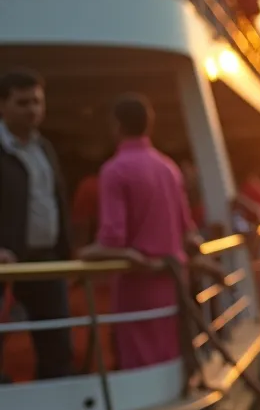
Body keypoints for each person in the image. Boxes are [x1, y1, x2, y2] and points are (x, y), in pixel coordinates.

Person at [78, 94, 199, 370]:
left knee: (137, 358)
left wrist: (82, 254)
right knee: (167, 353)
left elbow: (112, 239)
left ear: (116, 126)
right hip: (171, 282)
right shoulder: (170, 168)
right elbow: (186, 229)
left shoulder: (114, 170)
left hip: (137, 285)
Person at [0, 69, 75, 380]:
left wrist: (68, 254)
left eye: (37, 102)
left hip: (47, 260)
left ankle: (58, 403)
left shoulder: (45, 148)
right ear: (2, 105)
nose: (32, 109)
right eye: (23, 102)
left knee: (57, 340)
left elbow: (55, 200)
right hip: (6, 264)